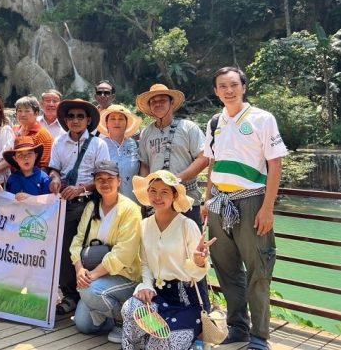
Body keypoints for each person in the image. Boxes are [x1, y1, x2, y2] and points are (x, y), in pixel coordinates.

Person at [203, 67, 287, 350]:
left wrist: (268, 208)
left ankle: (260, 336)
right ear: (216, 91)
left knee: (258, 269)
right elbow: (212, 162)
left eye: (234, 85)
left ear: (244, 87)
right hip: (219, 202)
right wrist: (207, 198)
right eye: (222, 86)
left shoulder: (262, 119)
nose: (229, 90)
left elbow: (275, 163)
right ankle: (238, 328)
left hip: (252, 200)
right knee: (226, 270)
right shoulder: (214, 121)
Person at [122, 170, 214, 350]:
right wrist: (147, 285)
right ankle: (140, 344)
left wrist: (198, 261)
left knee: (160, 345)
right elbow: (146, 263)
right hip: (157, 297)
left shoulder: (187, 225)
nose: (157, 197)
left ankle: (186, 340)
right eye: (153, 191)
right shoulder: (145, 225)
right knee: (130, 308)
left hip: (186, 301)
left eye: (164, 192)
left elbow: (199, 272)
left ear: (174, 195)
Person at [48, 98, 111, 315]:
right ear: (65, 120)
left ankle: (88, 294)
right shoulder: (59, 142)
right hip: (64, 201)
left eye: (80, 116)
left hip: (88, 202)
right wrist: (55, 179)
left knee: (86, 249)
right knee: (65, 248)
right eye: (71, 116)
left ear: (88, 120)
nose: (75, 120)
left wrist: (81, 189)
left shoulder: (98, 144)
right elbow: (54, 168)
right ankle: (70, 295)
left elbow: (104, 178)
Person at [70, 160, 142, 342]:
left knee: (88, 291)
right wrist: (80, 269)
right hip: (99, 275)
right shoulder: (91, 207)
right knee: (84, 325)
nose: (105, 183)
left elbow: (123, 253)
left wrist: (91, 276)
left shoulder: (130, 210)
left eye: (110, 178)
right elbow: (77, 241)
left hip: (126, 276)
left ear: (119, 181)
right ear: (94, 183)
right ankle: (118, 311)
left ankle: (124, 321)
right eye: (99, 178)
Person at [137, 84, 208, 228]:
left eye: (162, 100)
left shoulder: (188, 128)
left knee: (190, 244)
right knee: (157, 243)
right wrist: (146, 187)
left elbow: (204, 158)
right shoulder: (146, 133)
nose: (157, 104)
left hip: (187, 196)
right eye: (153, 102)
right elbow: (144, 164)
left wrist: (178, 179)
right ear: (150, 107)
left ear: (172, 103)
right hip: (157, 199)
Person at [97, 105, 142, 202]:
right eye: (112, 119)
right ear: (107, 123)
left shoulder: (136, 145)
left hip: (133, 203)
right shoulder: (99, 145)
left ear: (127, 123)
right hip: (107, 203)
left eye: (121, 119)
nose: (117, 122)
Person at [14, 96, 54, 169]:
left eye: (27, 111)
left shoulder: (43, 135)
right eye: (19, 111)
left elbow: (44, 165)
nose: (22, 114)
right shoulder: (13, 130)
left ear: (36, 113)